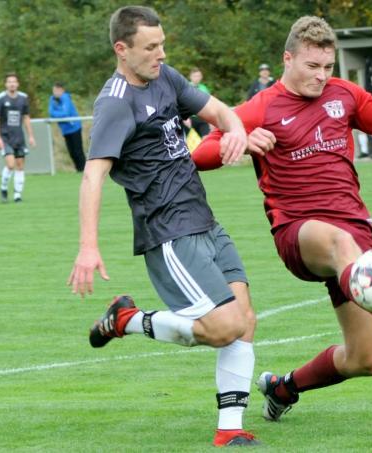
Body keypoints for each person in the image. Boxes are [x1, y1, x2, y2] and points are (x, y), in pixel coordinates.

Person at [192, 16, 372, 422]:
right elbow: (201, 154)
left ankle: (283, 388)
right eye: (312, 66)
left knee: (365, 360)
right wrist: (242, 139)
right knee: (339, 242)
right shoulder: (263, 106)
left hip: (356, 242)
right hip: (299, 231)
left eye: (328, 67)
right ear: (287, 59)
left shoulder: (344, 94)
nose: (322, 77)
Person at [66, 6, 260, 447]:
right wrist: (88, 246)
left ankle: (229, 430)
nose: (161, 53)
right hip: (168, 230)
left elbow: (219, 111)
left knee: (244, 319)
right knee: (224, 325)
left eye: (162, 44)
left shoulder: (165, 77)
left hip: (203, 218)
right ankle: (128, 321)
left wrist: (233, 130)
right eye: (150, 47)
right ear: (122, 49)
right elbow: (93, 175)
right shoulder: (115, 103)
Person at [0, 72, 36, 203]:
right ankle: (4, 188)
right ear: (6, 84)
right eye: (9, 82)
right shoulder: (0, 99)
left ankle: (17, 195)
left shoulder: (23, 98)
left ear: (17, 83)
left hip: (19, 137)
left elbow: (26, 118)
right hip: (5, 137)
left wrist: (31, 136)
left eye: (14, 81)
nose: (12, 84)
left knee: (20, 165)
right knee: (10, 164)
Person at [49, 82, 85, 172]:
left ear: (62, 90)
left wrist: (56, 114)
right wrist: (58, 115)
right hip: (65, 130)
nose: (55, 92)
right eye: (54, 91)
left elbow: (66, 113)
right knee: (71, 152)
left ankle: (83, 169)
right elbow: (51, 113)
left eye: (57, 90)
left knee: (78, 151)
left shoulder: (65, 97)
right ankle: (78, 169)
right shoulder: (52, 99)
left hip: (74, 127)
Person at [184, 67, 211, 138]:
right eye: (195, 76)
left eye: (198, 76)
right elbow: (180, 103)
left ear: (201, 77)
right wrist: (184, 118)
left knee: (206, 138)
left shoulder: (204, 88)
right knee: (181, 141)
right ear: (191, 77)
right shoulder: (185, 87)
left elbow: (208, 104)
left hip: (201, 117)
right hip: (189, 117)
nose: (197, 78)